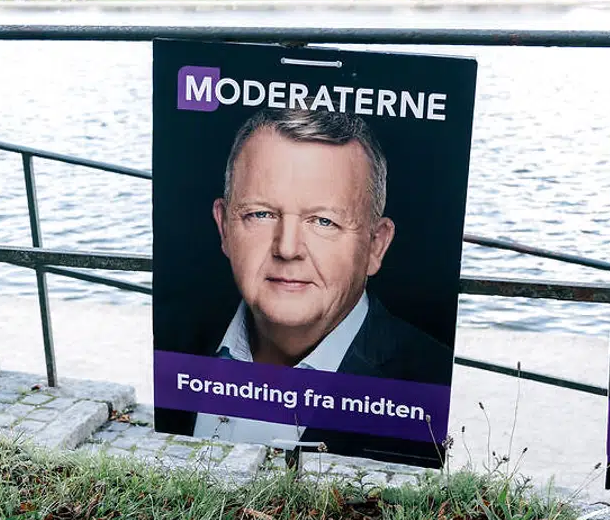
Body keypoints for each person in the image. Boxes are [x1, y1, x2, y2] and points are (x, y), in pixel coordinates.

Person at [192, 107, 450, 449]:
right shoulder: (175, 344)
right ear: (224, 227)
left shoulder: (430, 380)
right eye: (261, 214)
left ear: (376, 245)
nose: (287, 248)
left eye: (323, 221)